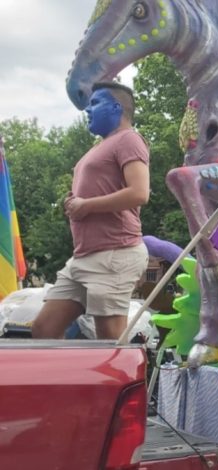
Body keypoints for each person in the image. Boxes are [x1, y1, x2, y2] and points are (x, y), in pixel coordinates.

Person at [32, 82, 150, 340]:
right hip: (83, 256)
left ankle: (127, 369)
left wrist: (86, 205)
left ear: (117, 108)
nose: (87, 109)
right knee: (43, 329)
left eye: (96, 103)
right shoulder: (100, 146)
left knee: (108, 342)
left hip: (115, 253)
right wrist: (74, 203)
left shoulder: (129, 139)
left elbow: (140, 193)